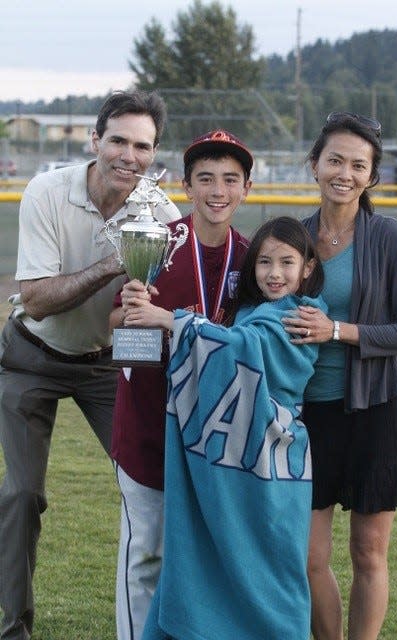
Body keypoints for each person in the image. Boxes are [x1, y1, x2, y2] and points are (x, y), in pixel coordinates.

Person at [0, 89, 181, 640]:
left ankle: (166, 624)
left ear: (154, 153)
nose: (130, 155)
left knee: (156, 491)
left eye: (143, 146)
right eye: (119, 140)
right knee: (22, 494)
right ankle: (14, 628)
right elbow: (35, 298)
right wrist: (113, 265)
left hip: (110, 364)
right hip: (32, 354)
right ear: (94, 140)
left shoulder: (162, 215)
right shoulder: (48, 191)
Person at [124, 215, 325, 640]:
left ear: (307, 267)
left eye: (287, 263)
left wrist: (169, 320)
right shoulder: (251, 312)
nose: (274, 273)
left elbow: (245, 348)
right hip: (228, 455)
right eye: (264, 263)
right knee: (208, 552)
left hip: (274, 462)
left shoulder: (304, 314)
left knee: (273, 564)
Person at [283, 111, 397, 640]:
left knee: (368, 552)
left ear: (372, 177)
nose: (344, 172)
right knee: (308, 557)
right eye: (335, 159)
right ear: (315, 164)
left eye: (357, 164)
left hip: (377, 410)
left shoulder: (389, 238)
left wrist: (337, 330)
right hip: (307, 416)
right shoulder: (293, 236)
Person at [109, 129, 255, 640]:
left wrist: (172, 319)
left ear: (247, 189)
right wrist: (132, 309)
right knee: (147, 553)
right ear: (188, 187)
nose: (218, 190)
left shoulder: (255, 258)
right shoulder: (157, 243)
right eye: (205, 179)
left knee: (209, 558)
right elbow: (111, 324)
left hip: (216, 433)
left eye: (230, 180)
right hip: (151, 420)